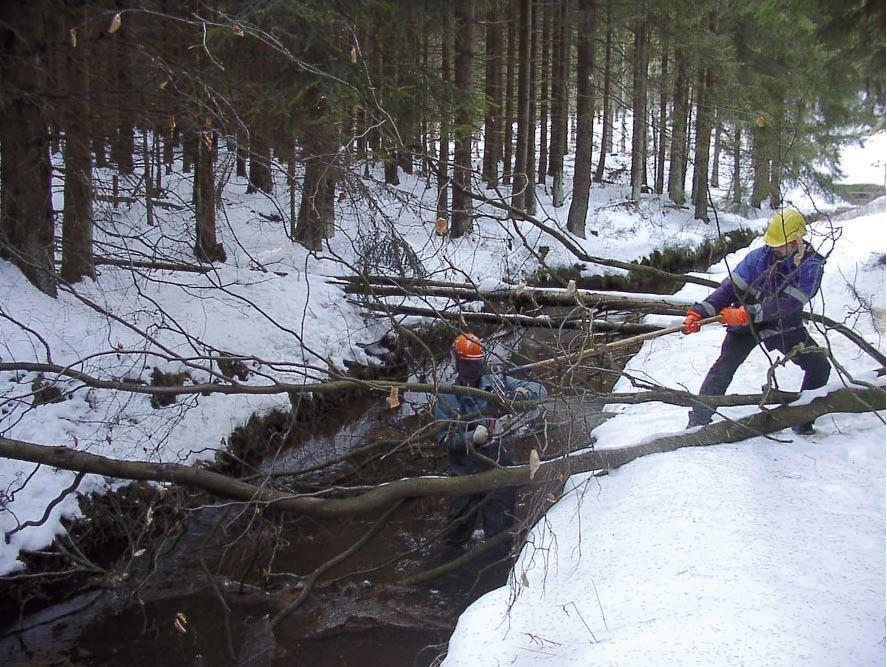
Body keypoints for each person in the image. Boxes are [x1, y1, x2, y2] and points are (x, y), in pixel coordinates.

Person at [682, 208, 830, 435]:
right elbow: (729, 289)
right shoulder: (759, 258)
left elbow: (787, 304)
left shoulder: (811, 266)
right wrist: (700, 312)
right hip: (745, 325)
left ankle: (803, 419)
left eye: (780, 244)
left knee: (819, 366)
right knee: (723, 368)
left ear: (797, 241)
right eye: (773, 243)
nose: (774, 249)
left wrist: (747, 313)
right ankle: (698, 422)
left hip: (782, 325)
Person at [434, 332, 546, 553]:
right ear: (457, 361)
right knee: (455, 536)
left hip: (500, 472)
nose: (471, 369)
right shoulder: (447, 397)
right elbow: (444, 439)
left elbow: (541, 391)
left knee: (501, 537)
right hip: (465, 477)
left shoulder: (499, 383)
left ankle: (499, 578)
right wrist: (471, 437)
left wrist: (523, 394)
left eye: (475, 364)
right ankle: (448, 573)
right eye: (466, 363)